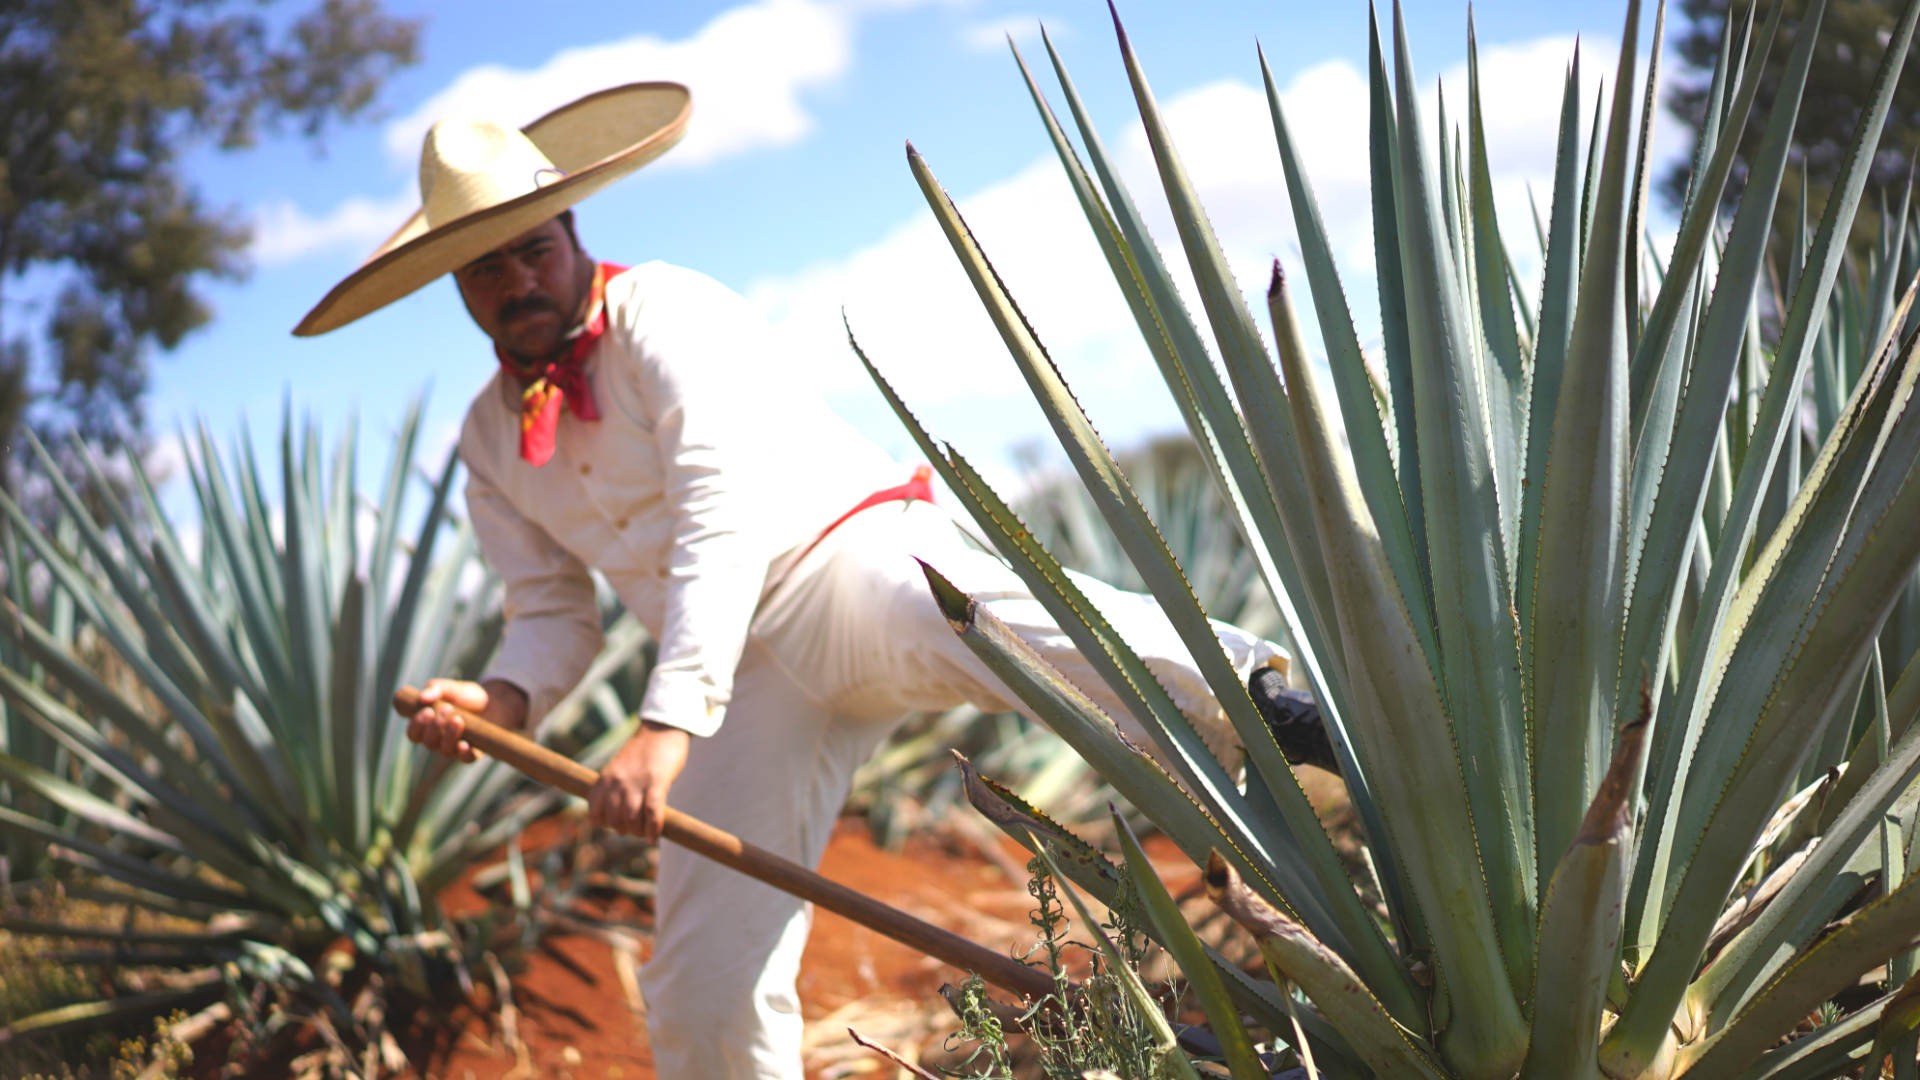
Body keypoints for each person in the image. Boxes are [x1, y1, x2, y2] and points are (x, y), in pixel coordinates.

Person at [295, 81, 1327, 1080]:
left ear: (570, 229)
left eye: (532, 248)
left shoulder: (666, 312)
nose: (516, 280)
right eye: (484, 268)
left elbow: (720, 510)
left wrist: (664, 725)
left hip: (841, 562)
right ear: (455, 287)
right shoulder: (488, 440)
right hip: (738, 680)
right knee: (703, 982)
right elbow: (549, 614)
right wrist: (499, 698)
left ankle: (1273, 712)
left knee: (997, 624)